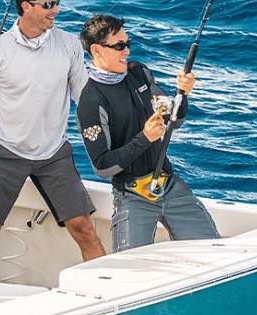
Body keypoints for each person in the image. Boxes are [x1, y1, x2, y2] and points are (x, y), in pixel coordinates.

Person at [0, 0, 106, 283]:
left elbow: (85, 101)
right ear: (26, 6)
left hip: (54, 154)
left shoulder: (68, 44)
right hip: (7, 152)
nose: (56, 9)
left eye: (56, 2)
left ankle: (107, 297)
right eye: (48, 4)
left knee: (84, 229)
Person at [76, 14, 219, 250]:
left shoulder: (139, 72)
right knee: (130, 270)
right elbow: (102, 166)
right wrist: (144, 139)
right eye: (119, 46)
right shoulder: (90, 102)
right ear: (97, 50)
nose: (127, 51)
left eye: (127, 44)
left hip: (169, 184)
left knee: (213, 253)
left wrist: (182, 94)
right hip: (131, 195)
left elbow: (174, 118)